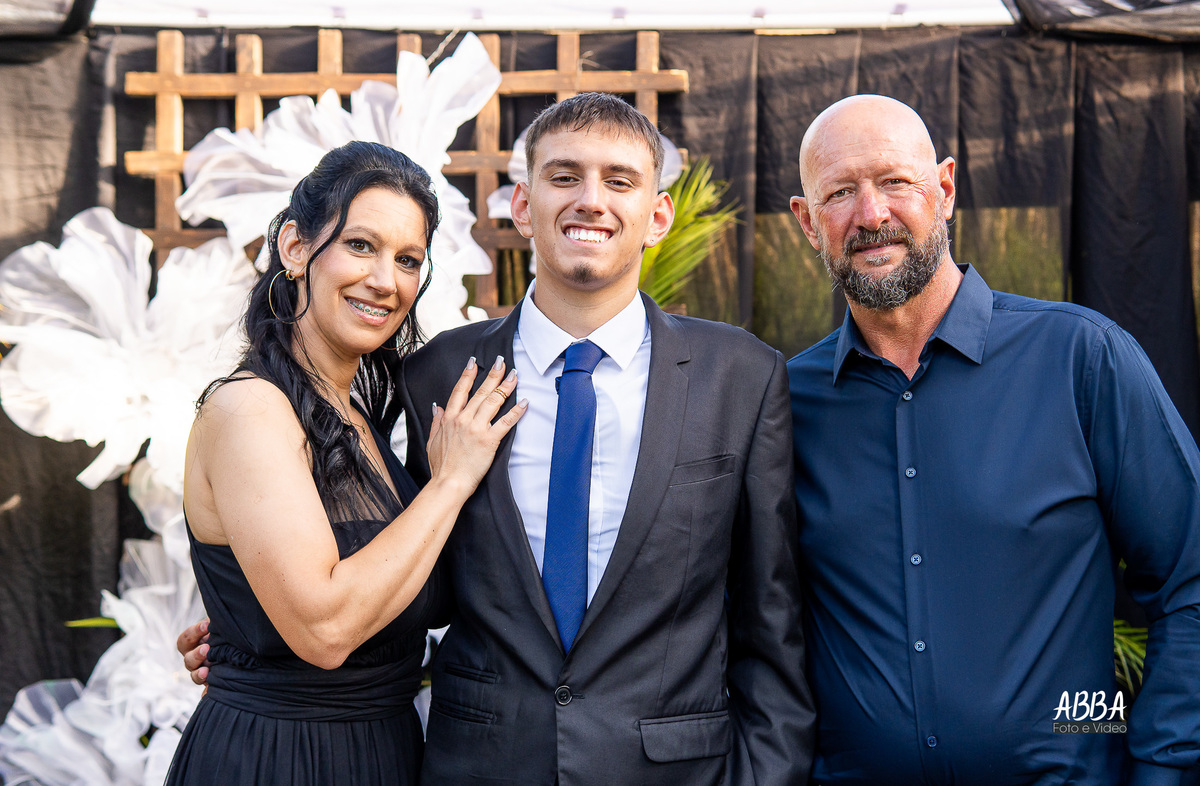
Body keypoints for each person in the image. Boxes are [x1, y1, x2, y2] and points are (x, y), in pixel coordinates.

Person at [395, 92, 814, 784]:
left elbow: (771, 622)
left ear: (658, 216)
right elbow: (401, 585)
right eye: (564, 177)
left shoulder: (742, 377)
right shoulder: (435, 375)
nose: (591, 200)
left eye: (619, 181)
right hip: (481, 767)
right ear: (522, 205)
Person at [787, 94, 1200, 785]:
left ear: (945, 189)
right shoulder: (786, 403)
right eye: (840, 193)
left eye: (895, 181)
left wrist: (1161, 770)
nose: (872, 214)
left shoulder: (1080, 358)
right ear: (807, 221)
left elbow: (1191, 579)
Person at [165, 140, 525, 785]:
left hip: (383, 748)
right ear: (295, 247)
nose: (386, 281)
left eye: (407, 259)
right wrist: (449, 483)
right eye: (361, 245)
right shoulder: (250, 408)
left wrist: (245, 630)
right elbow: (326, 630)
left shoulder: (356, 417)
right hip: (284, 759)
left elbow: (376, 587)